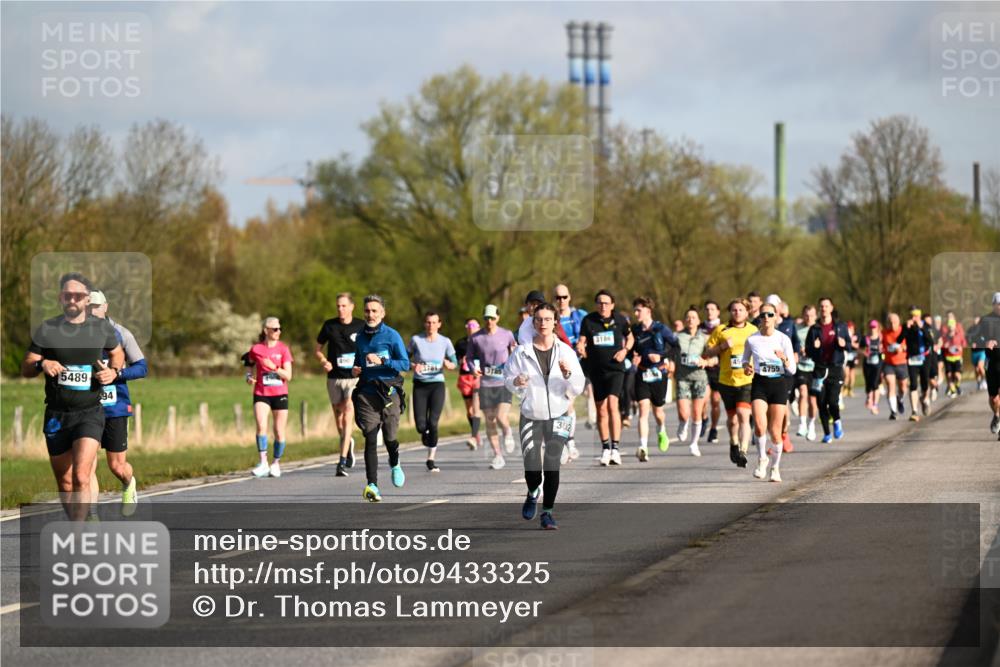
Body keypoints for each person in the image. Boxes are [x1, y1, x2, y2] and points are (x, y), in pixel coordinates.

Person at [22, 273, 124, 521]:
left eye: (78, 295)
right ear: (60, 297)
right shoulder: (47, 329)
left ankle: (79, 539)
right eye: (67, 295)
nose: (72, 300)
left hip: (89, 412)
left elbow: (117, 353)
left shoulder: (101, 328)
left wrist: (113, 372)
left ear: (87, 299)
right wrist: (42, 364)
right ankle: (79, 524)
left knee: (81, 476)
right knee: (66, 483)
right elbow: (26, 367)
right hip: (57, 414)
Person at [504, 302, 585, 530]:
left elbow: (578, 386)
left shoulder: (565, 352)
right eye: (538, 319)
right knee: (532, 467)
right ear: (533, 322)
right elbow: (507, 379)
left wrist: (568, 374)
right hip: (531, 414)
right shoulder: (522, 352)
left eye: (548, 319)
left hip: (559, 415)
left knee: (552, 465)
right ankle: (532, 491)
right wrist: (516, 382)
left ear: (555, 323)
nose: (543, 323)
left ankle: (547, 512)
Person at [86, 290, 146, 515]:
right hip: (87, 408)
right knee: (86, 465)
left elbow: (142, 368)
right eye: (89, 307)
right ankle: (90, 515)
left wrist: (116, 374)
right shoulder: (76, 334)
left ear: (106, 307)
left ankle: (128, 483)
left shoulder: (122, 333)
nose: (93, 311)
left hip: (116, 406)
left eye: (96, 306)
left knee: (116, 466)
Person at [351, 294, 410, 502]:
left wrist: (383, 360)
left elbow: (405, 364)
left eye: (375, 311)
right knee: (370, 437)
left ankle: (395, 462)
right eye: (367, 310)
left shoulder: (392, 336)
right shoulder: (359, 337)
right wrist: (355, 370)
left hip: (389, 393)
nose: (370, 314)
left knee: (390, 438)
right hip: (366, 393)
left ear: (382, 313)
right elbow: (358, 362)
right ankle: (372, 485)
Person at [741, 302, 796, 483]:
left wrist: (785, 359)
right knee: (758, 424)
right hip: (760, 383)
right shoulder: (752, 339)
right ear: (759, 318)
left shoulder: (783, 339)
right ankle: (762, 459)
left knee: (775, 431)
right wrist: (747, 368)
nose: (766, 318)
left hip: (779, 384)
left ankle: (775, 467)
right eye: (763, 315)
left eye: (770, 315)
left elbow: (793, 370)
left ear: (776, 317)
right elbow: (744, 361)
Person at [577, 290, 634, 466]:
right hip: (596, 369)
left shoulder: (620, 320)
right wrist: (580, 346)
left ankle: (615, 449)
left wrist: (625, 351)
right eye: (600, 303)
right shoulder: (589, 320)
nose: (603, 306)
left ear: (612, 305)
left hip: (615, 369)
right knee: (601, 410)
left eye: (606, 303)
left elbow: (630, 337)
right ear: (596, 305)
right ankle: (605, 449)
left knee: (612, 404)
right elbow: (582, 340)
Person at [704, 298, 759, 467]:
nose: (737, 313)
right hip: (726, 380)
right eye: (734, 310)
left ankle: (743, 451)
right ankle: (734, 442)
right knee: (732, 419)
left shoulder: (754, 330)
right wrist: (721, 348)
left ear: (747, 312)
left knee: (744, 415)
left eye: (741, 310)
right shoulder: (721, 330)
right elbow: (707, 352)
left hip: (746, 379)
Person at [315, 293, 365, 478]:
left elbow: (369, 347)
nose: (340, 309)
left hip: (353, 379)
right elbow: (317, 349)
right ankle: (348, 441)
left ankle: (341, 462)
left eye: (344, 306)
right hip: (334, 378)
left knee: (348, 414)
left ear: (352, 307)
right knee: (338, 419)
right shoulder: (330, 325)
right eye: (338, 306)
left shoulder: (361, 326)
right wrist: (323, 361)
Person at [467, 304, 518, 470]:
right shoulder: (476, 338)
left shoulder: (507, 334)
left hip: (503, 382)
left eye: (492, 318)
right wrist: (474, 368)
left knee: (501, 417)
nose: (489, 321)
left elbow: (515, 353)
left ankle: (508, 432)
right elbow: (469, 358)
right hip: (486, 384)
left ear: (498, 318)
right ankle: (498, 455)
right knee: (490, 420)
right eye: (486, 318)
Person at [409, 311, 458, 472]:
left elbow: (454, 362)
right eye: (428, 322)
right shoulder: (416, 340)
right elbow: (404, 358)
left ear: (439, 324)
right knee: (421, 426)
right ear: (425, 324)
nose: (431, 325)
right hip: (420, 385)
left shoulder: (445, 341)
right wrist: (413, 365)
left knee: (433, 422)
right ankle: (424, 433)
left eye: (434, 322)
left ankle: (431, 459)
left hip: (437, 384)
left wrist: (449, 365)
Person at [630, 297, 677, 461]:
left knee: (658, 411)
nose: (636, 313)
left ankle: (661, 429)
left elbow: (676, 347)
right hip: (642, 374)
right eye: (635, 310)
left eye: (639, 310)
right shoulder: (635, 330)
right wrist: (633, 358)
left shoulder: (661, 329)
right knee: (643, 409)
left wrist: (662, 356)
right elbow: (631, 349)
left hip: (658, 375)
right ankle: (643, 447)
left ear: (648, 311)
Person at [246, 317, 293, 478]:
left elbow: (289, 375)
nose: (278, 332)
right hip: (261, 393)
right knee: (261, 426)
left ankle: (276, 463)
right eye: (275, 329)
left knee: (279, 431)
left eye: (280, 329)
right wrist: (249, 376)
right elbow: (249, 362)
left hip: (280, 394)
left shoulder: (283, 349)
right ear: (266, 330)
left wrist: (275, 368)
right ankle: (263, 462)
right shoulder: (256, 349)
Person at [805, 297, 853, 442]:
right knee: (821, 402)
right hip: (819, 369)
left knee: (832, 401)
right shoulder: (814, 329)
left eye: (826, 306)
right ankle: (826, 433)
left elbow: (850, 346)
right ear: (819, 310)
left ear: (832, 308)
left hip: (835, 368)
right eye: (821, 306)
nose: (824, 309)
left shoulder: (840, 326)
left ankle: (837, 421)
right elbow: (808, 351)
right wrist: (815, 348)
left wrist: (844, 344)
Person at [554, 284, 587, 462]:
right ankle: (566, 443)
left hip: (576, 366)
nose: (561, 301)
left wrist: (583, 345)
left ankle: (570, 443)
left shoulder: (579, 315)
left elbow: (589, 332)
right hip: (556, 368)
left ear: (570, 297)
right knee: (562, 406)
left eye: (564, 297)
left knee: (568, 404)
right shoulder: (552, 318)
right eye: (558, 298)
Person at [674, 306, 713, 457]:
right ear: (685, 320)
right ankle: (683, 424)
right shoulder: (677, 337)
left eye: (693, 317)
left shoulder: (704, 338)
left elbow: (714, 356)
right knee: (684, 413)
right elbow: (670, 353)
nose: (690, 320)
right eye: (688, 317)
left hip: (699, 378)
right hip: (682, 377)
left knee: (697, 412)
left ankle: (694, 443)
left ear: (698, 321)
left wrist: (706, 362)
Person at [967, 292, 1000, 440]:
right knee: (994, 398)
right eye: (998, 304)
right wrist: (984, 343)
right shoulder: (986, 320)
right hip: (991, 362)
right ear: (993, 305)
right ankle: (997, 415)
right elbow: (973, 337)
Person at [455, 318, 483, 450]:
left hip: (478, 377)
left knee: (476, 408)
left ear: (478, 327)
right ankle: (476, 433)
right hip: (465, 377)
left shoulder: (482, 341)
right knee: (469, 410)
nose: (471, 327)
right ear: (466, 327)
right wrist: (460, 361)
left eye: (474, 325)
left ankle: (474, 435)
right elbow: (454, 359)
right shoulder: (460, 343)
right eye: (469, 325)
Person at [903, 307, 935, 421]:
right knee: (913, 384)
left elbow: (931, 341)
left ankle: (924, 399)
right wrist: (906, 329)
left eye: (915, 316)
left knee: (925, 383)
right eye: (912, 316)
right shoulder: (907, 326)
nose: (913, 318)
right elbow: (899, 339)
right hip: (912, 359)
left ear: (919, 316)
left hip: (925, 358)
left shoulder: (926, 326)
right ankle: (914, 411)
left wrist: (922, 328)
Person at [793, 304, 819, 441]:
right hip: (801, 367)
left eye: (812, 315)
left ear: (816, 316)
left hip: (815, 367)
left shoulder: (818, 329)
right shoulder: (797, 329)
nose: (809, 318)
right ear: (803, 315)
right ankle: (802, 424)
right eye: (806, 315)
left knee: (813, 399)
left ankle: (812, 424)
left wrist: (813, 349)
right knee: (803, 392)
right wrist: (798, 350)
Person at [701, 300, 723, 443]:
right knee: (703, 400)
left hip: (719, 369)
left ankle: (713, 428)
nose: (710, 311)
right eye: (707, 309)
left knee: (715, 400)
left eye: (713, 309)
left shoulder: (723, 328)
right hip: (703, 368)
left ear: (718, 311)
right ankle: (704, 418)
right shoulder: (699, 328)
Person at [881, 312, 909, 420]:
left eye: (895, 322)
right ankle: (893, 411)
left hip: (902, 363)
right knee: (890, 384)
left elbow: (911, 345)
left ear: (899, 322)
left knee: (903, 387)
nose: (892, 325)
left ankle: (900, 399)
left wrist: (902, 348)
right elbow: (881, 347)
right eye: (890, 322)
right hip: (889, 364)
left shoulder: (904, 331)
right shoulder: (884, 333)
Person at [940, 311, 967, 397]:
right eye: (948, 317)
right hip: (948, 356)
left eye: (951, 316)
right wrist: (947, 338)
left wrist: (962, 346)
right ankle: (953, 391)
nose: (950, 318)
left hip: (957, 356)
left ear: (954, 317)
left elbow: (963, 340)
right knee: (949, 374)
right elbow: (942, 340)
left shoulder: (959, 326)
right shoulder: (944, 328)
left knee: (957, 375)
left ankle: (957, 385)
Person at [860, 320, 884, 414]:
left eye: (874, 327)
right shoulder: (865, 338)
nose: (872, 329)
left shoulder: (881, 338)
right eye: (871, 327)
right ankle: (869, 397)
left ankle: (875, 405)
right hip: (867, 363)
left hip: (878, 363)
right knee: (868, 382)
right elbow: (859, 349)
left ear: (877, 327)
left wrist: (882, 350)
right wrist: (864, 353)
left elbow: (886, 348)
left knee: (875, 383)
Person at [971, 315, 989, 392]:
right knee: (976, 369)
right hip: (974, 352)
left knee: (980, 366)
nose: (976, 321)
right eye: (975, 320)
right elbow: (966, 338)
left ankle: (985, 381)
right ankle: (978, 382)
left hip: (982, 351)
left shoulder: (984, 330)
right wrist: (971, 343)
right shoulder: (971, 329)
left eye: (978, 320)